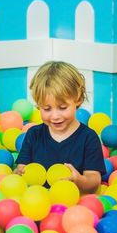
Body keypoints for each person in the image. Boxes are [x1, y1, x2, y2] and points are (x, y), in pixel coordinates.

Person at [14, 61, 106, 194]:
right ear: (38, 106)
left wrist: (79, 180)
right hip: (39, 202)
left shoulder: (88, 138)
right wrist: (19, 172)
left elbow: (94, 181)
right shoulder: (33, 135)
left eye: (62, 107)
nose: (55, 116)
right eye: (46, 109)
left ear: (78, 99)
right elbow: (22, 169)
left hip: (73, 204)